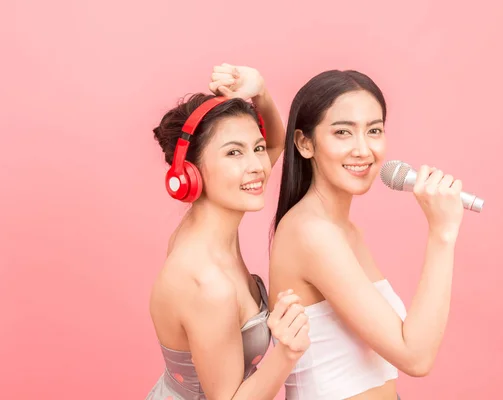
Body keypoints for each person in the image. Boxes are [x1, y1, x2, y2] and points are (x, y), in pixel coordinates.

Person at [268, 69, 466, 400]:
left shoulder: (344, 231)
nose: (363, 150)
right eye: (343, 132)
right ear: (305, 143)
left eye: (373, 130)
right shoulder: (311, 233)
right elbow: (415, 357)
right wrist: (442, 233)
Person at [146, 63, 310, 400]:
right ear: (188, 173)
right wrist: (287, 353)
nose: (257, 166)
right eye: (234, 152)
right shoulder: (207, 284)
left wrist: (260, 91)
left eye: (257, 148)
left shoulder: (210, 228)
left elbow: (276, 144)